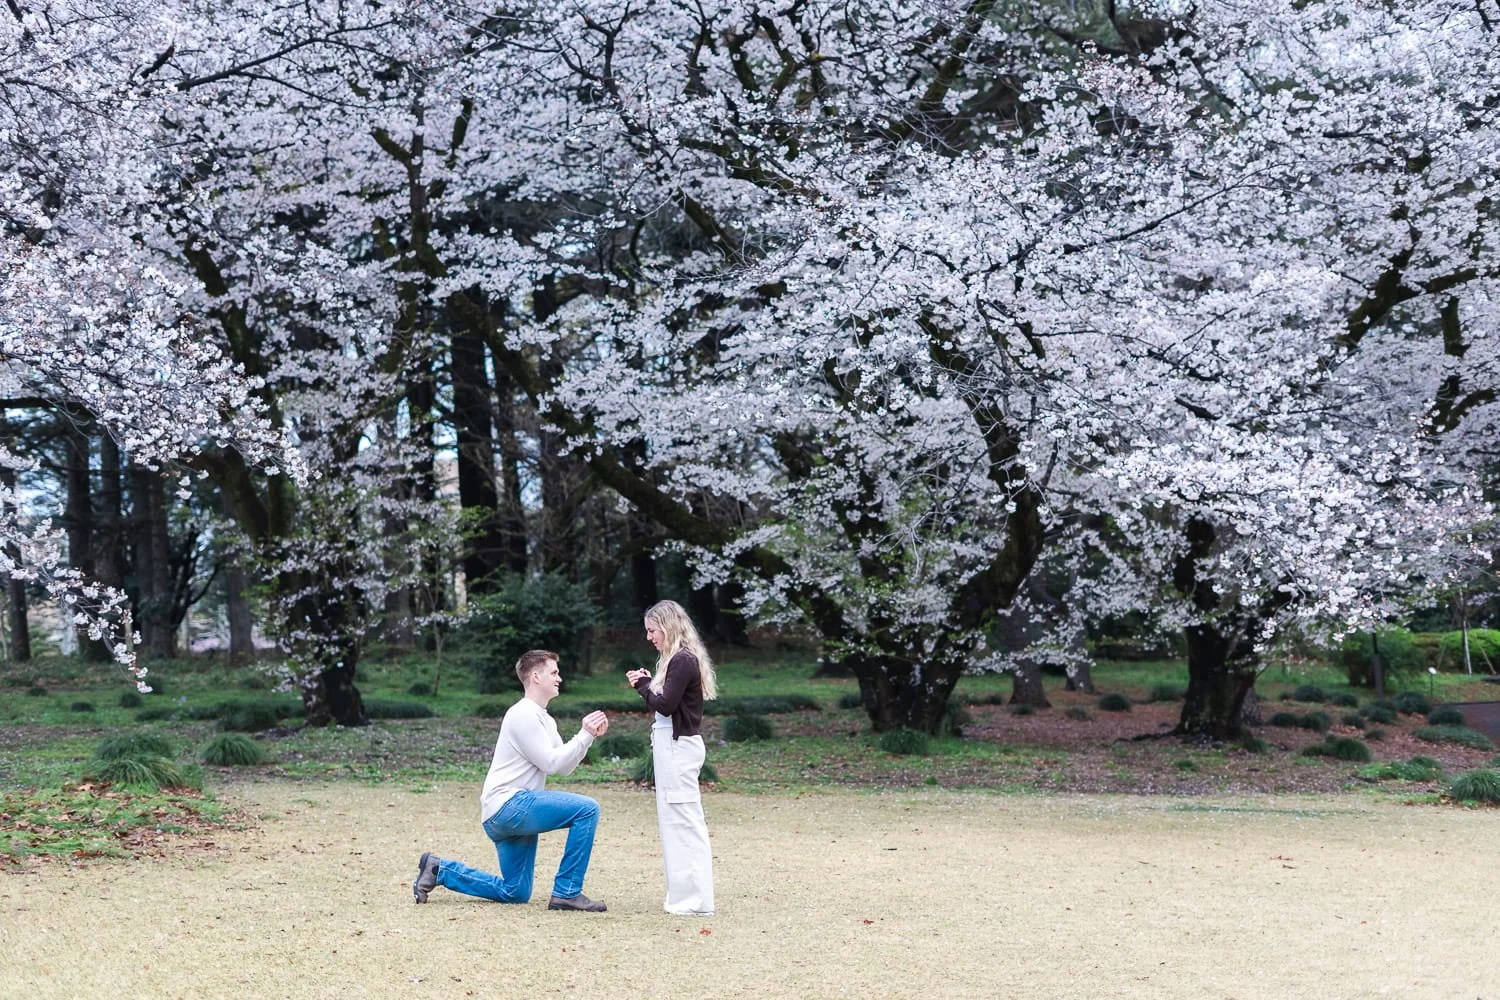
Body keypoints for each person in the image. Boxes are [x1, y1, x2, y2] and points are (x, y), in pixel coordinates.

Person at [413, 649, 611, 912]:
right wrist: (584, 733)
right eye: (554, 672)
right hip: (510, 807)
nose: (559, 678)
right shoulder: (523, 714)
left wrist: (588, 737)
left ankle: (439, 869)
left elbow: (562, 767)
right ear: (535, 677)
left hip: (505, 813)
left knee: (515, 892)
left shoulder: (543, 719)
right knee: (588, 809)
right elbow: (551, 763)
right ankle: (567, 892)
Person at [626, 599, 717, 916]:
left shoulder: (682, 661)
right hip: (671, 746)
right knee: (674, 822)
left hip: (678, 749)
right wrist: (649, 682)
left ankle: (696, 899)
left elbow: (664, 705)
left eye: (653, 630)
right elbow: (666, 700)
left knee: (684, 822)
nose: (650, 637)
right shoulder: (676, 660)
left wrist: (641, 685)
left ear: (668, 627)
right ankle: (684, 896)